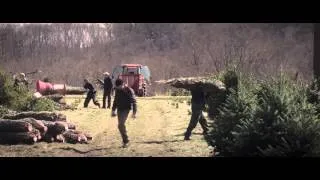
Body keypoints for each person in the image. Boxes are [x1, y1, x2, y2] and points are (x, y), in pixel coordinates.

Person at [111, 78, 137, 148]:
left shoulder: (129, 90)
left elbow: (134, 102)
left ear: (123, 85)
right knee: (120, 126)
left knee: (121, 124)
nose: (118, 88)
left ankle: (126, 141)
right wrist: (113, 110)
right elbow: (115, 100)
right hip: (119, 109)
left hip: (126, 109)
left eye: (119, 87)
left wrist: (134, 112)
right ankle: (125, 140)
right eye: (117, 87)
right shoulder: (117, 90)